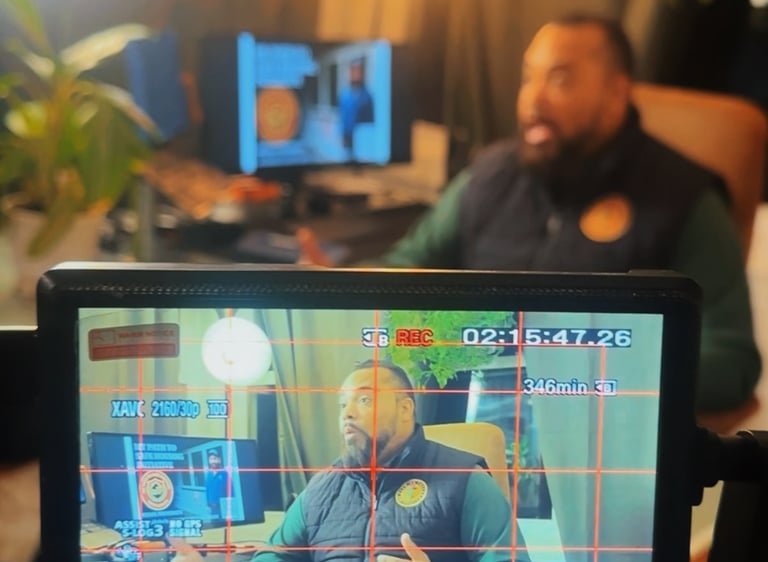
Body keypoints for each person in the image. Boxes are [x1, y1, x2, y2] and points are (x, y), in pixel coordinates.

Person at [298, 14, 761, 414]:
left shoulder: (686, 199)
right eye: (528, 78)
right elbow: (408, 266)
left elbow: (731, 360)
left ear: (616, 92)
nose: (533, 100)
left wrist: (602, 375)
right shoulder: (488, 175)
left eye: (559, 80)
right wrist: (336, 289)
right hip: (471, 403)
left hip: (597, 425)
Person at [170, 360, 529, 562]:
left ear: (406, 409)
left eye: (364, 400)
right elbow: (275, 555)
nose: (348, 413)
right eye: (343, 404)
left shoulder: (466, 479)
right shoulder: (320, 489)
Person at [338, 58, 375, 159]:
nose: (355, 74)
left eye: (358, 70)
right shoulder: (344, 95)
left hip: (363, 139)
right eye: (353, 70)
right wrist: (342, 135)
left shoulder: (368, 96)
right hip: (348, 137)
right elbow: (342, 117)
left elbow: (371, 119)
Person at [205, 449, 229, 521]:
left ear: (219, 460)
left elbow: (229, 491)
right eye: (211, 459)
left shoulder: (224, 473)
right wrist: (208, 505)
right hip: (212, 507)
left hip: (223, 507)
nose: (213, 461)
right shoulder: (208, 474)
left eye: (215, 458)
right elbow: (207, 491)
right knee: (214, 523)